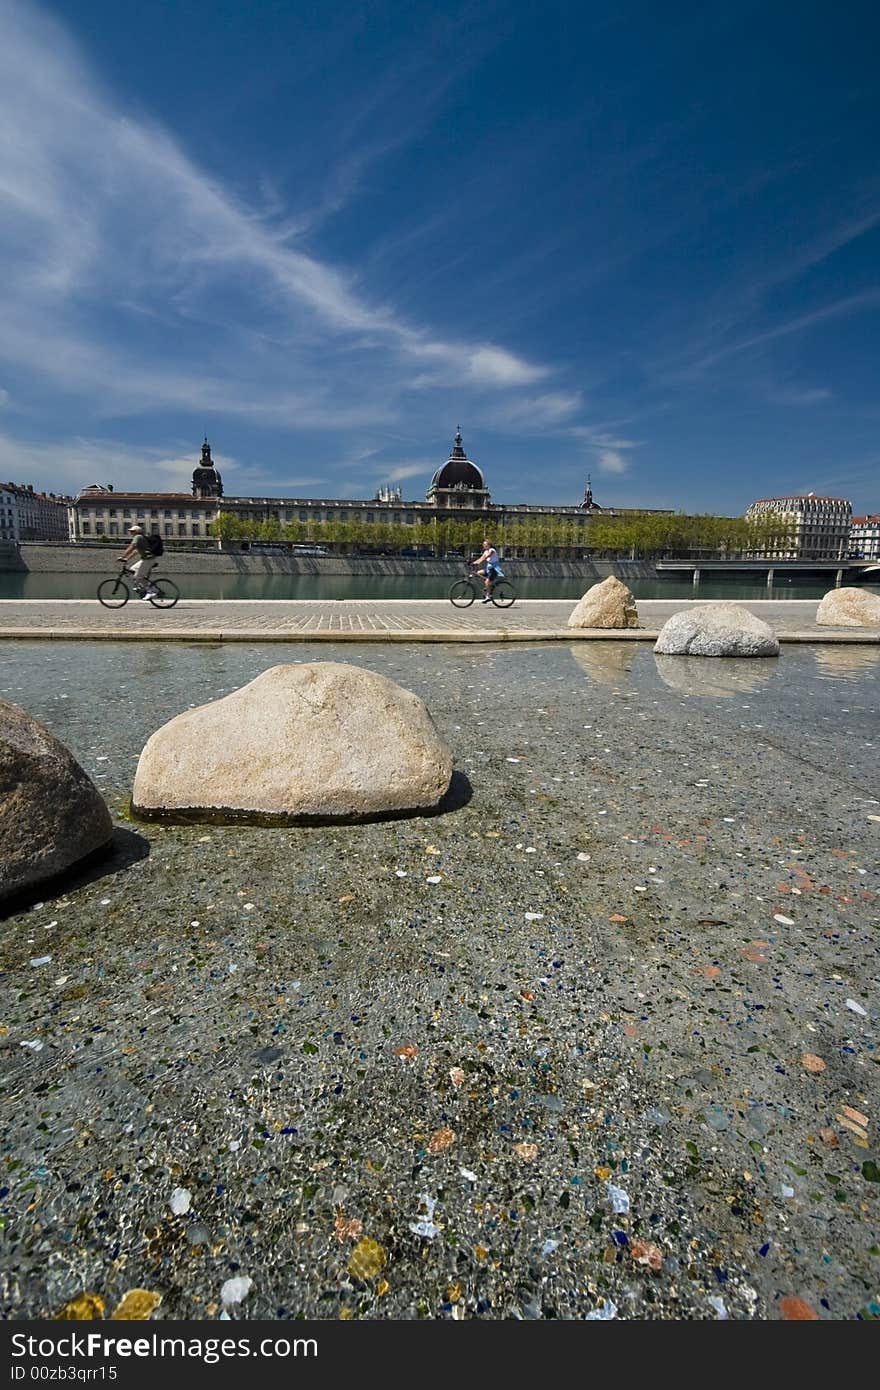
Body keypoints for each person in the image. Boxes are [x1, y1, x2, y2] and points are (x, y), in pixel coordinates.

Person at [118, 524, 158, 599]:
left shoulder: (138, 537)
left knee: (138, 576)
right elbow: (135, 551)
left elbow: (132, 547)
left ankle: (151, 591)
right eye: (131, 531)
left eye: (132, 531)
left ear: (136, 532)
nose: (131, 533)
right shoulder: (141, 538)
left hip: (149, 559)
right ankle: (142, 586)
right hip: (146, 559)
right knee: (132, 570)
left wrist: (123, 556)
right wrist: (127, 559)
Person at [472, 537, 504, 602]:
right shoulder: (486, 551)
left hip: (494, 569)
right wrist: (473, 562)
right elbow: (481, 558)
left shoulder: (492, 550)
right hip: (488, 569)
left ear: (489, 545)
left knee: (487, 581)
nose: (484, 546)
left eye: (485, 545)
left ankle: (488, 596)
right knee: (478, 573)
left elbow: (487, 556)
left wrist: (479, 562)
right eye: (483, 545)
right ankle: (488, 586)